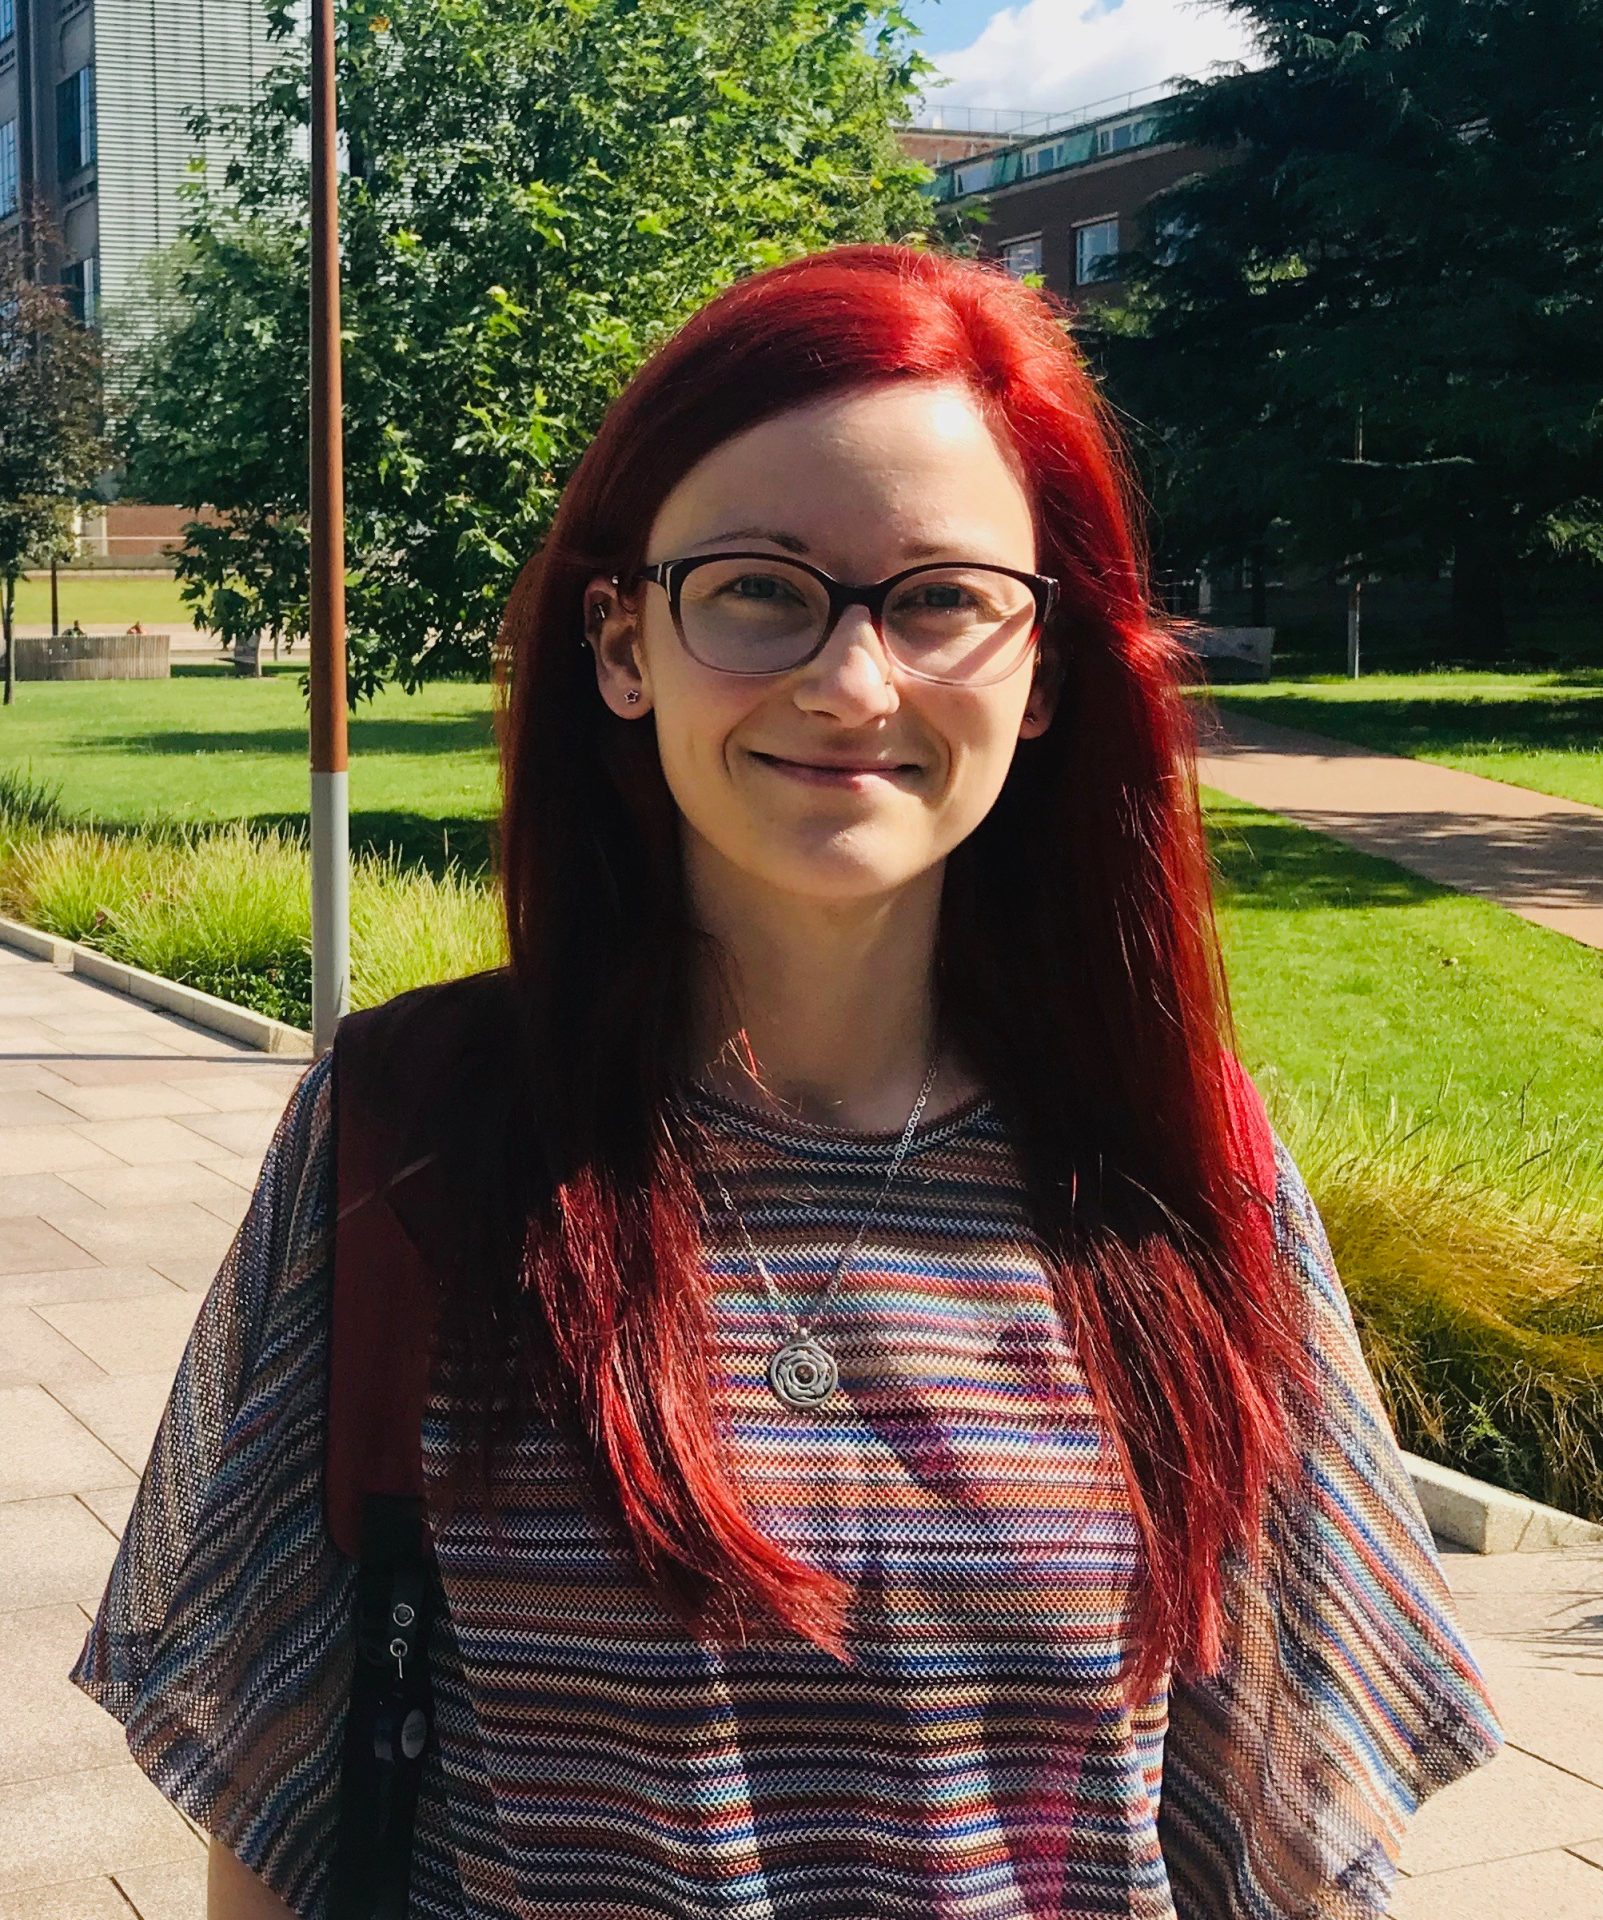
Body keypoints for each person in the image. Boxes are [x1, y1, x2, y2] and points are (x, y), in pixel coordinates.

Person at [69, 244, 1503, 1920]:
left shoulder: (1179, 1167)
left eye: (942, 599)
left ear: (1043, 669)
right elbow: (279, 1804)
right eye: (759, 587)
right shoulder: (411, 1133)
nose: (851, 683)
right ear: (623, 644)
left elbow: (1297, 1849)